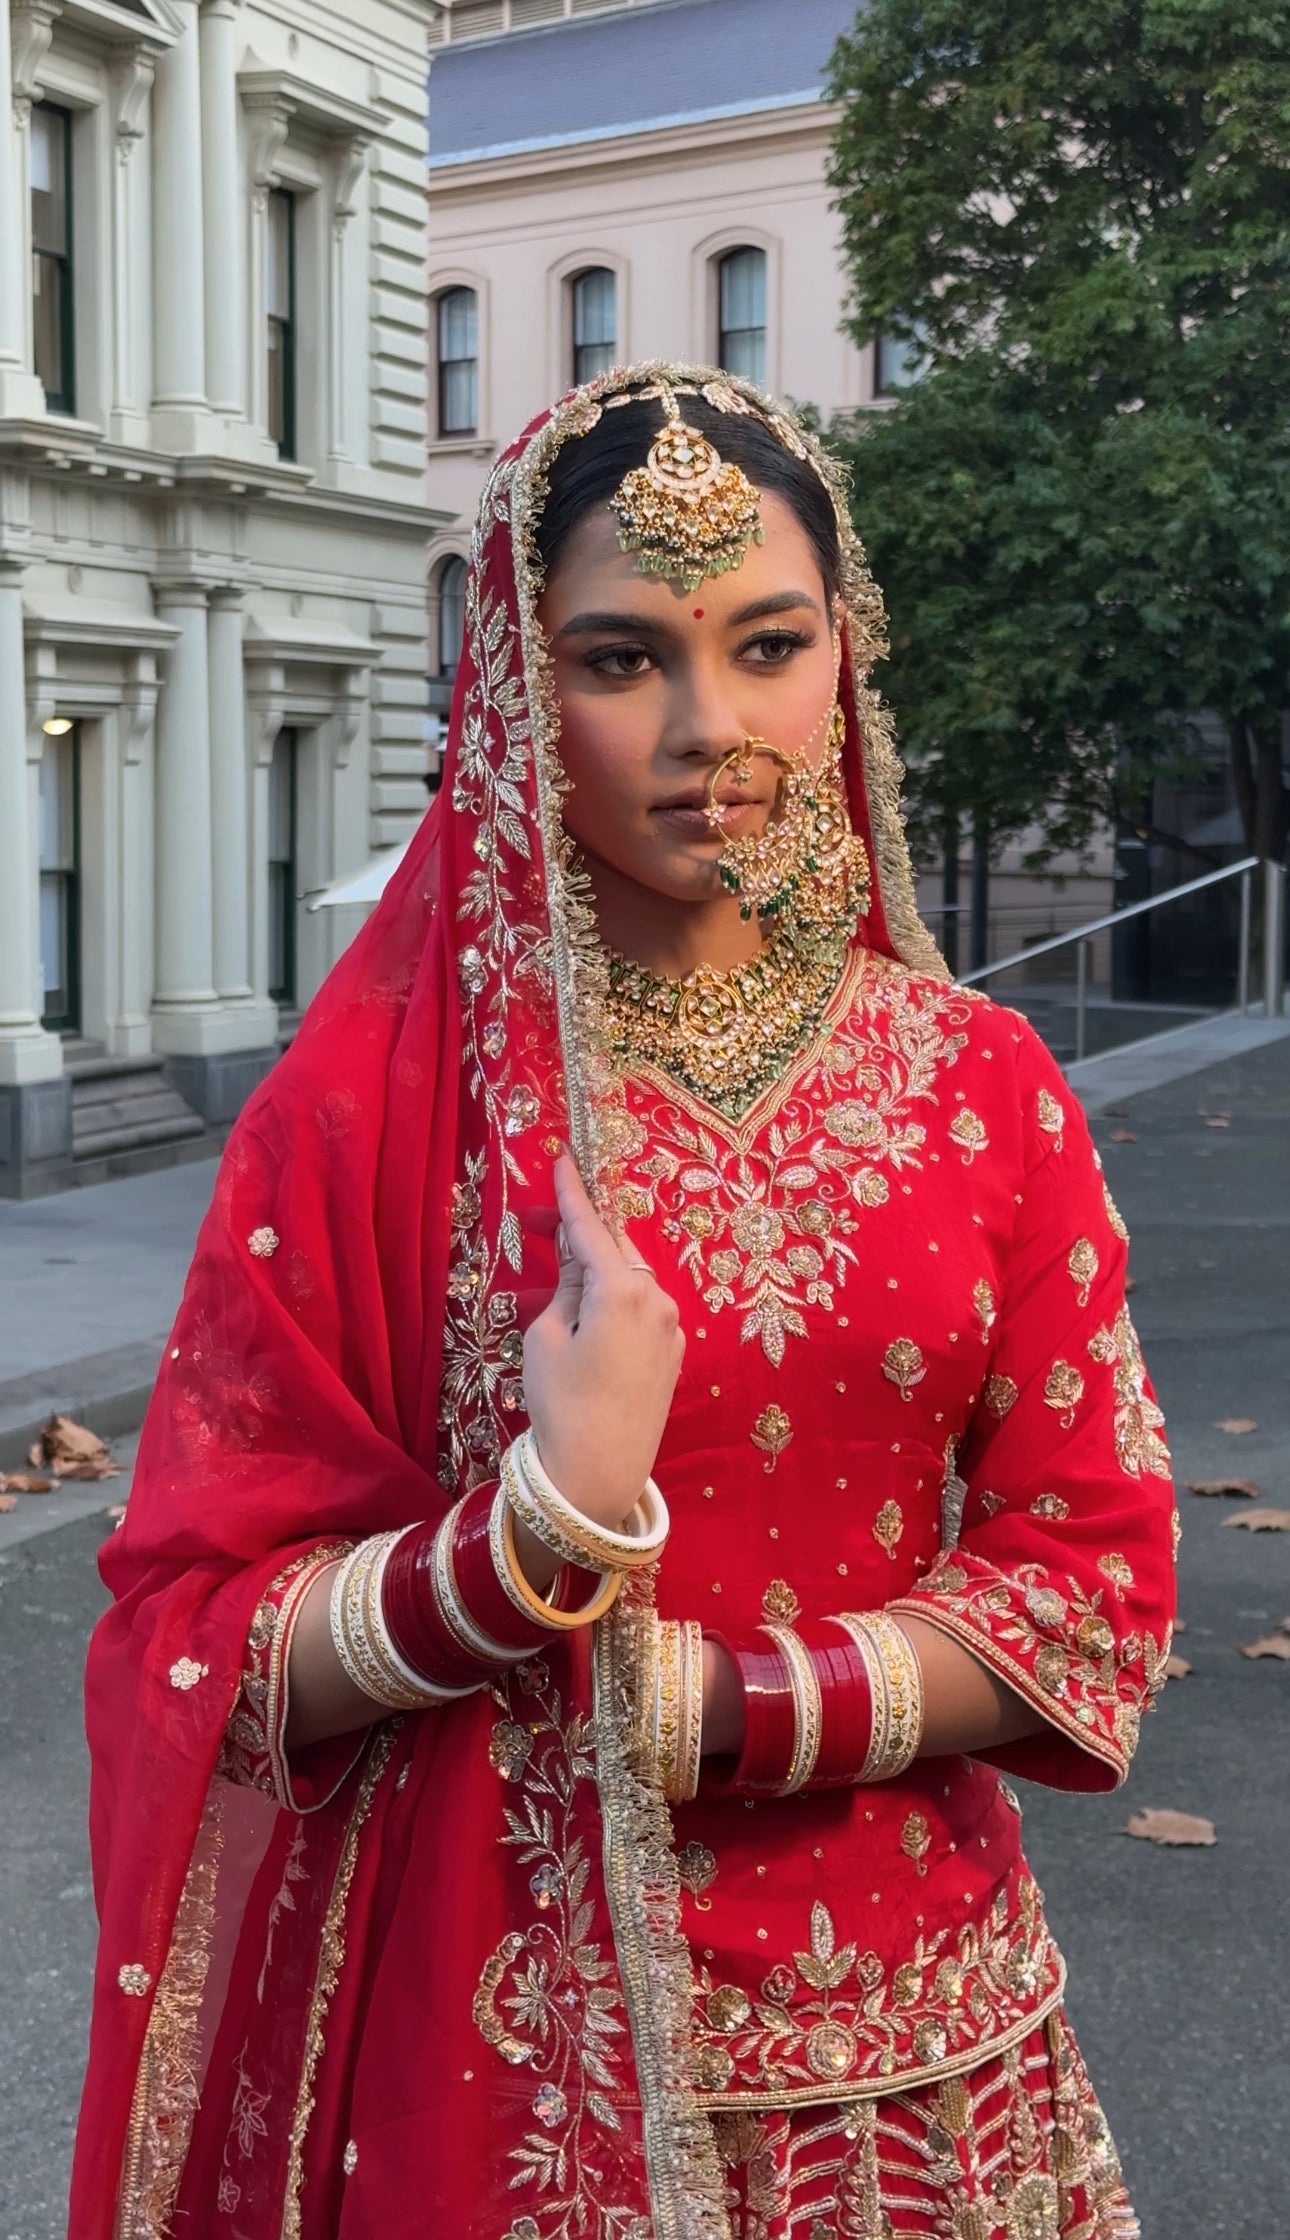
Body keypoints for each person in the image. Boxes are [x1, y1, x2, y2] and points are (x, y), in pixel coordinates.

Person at [71, 365, 1177, 2240]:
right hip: (496, 2058)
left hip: (917, 2075)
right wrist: (530, 1539)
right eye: (616, 658)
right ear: (512, 683)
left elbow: (1093, 1588)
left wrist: (711, 1710)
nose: (709, 728)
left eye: (765, 644)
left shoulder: (979, 1082)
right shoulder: (369, 1114)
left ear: (848, 655)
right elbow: (199, 1641)